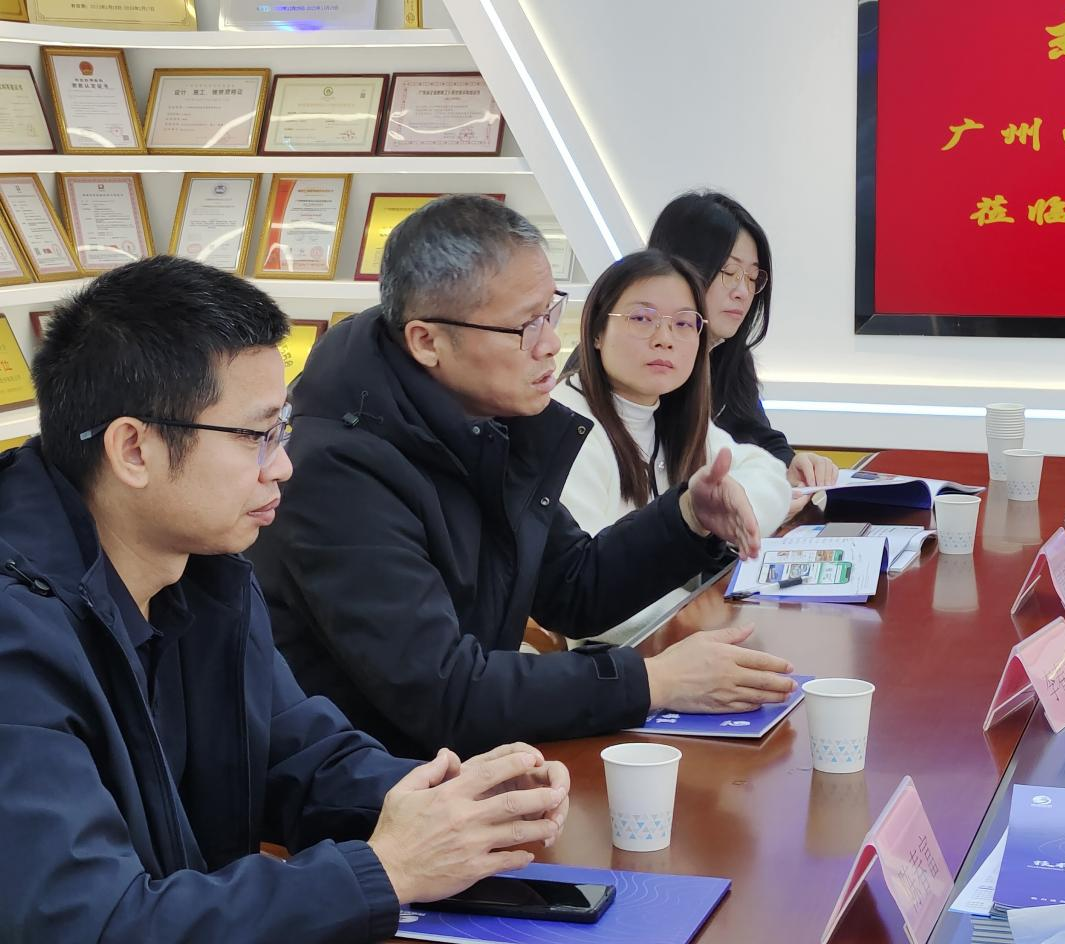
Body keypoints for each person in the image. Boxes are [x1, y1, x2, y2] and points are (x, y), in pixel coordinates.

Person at [0, 256, 569, 943]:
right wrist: (385, 870)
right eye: (256, 436)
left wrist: (454, 801)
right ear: (134, 450)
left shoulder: (207, 575)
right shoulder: (16, 637)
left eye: (283, 431)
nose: (283, 465)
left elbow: (302, 760)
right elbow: (92, 923)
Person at [248, 194, 796, 759]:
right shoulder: (336, 470)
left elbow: (574, 587)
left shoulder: (483, 417)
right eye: (524, 326)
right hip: (371, 785)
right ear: (427, 341)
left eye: (550, 314)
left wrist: (685, 518)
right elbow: (444, 693)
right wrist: (654, 681)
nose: (550, 344)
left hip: (459, 769)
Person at [552, 249, 791, 645]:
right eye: (642, 319)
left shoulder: (669, 411)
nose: (664, 339)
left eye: (683, 323)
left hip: (685, 636)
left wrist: (730, 511)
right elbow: (581, 593)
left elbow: (768, 473)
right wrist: (706, 617)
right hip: (613, 657)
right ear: (596, 331)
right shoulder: (567, 426)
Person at [648, 190, 841, 494]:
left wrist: (791, 465)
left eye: (752, 278)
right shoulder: (641, 359)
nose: (742, 292)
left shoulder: (728, 355)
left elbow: (755, 436)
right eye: (729, 272)